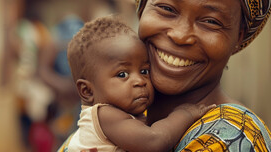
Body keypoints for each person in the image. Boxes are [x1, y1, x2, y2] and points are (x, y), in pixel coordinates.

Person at [59, 0, 271, 151]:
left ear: (238, 37)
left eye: (211, 22)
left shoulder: (228, 138)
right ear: (142, 8)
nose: (180, 34)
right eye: (166, 8)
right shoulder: (116, 116)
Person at [64, 15, 215, 152]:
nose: (140, 81)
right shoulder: (104, 115)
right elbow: (155, 141)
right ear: (87, 91)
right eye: (122, 74)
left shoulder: (123, 118)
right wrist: (185, 113)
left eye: (144, 71)